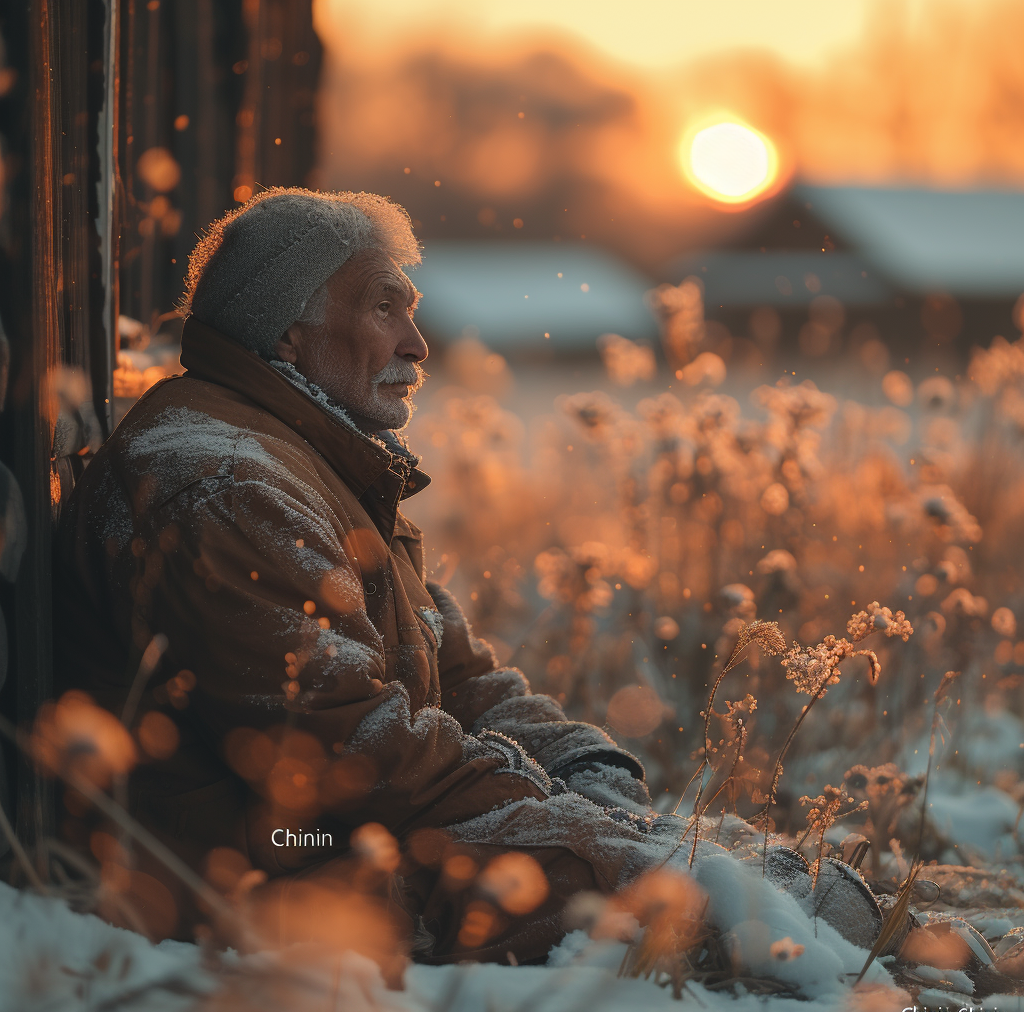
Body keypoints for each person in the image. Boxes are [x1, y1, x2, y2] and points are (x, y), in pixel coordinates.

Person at [54, 188, 685, 961]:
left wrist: (582, 770)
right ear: (287, 331)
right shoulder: (222, 486)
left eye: (412, 312)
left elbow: (459, 676)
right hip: (253, 878)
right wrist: (570, 823)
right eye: (386, 310)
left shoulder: (311, 466)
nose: (419, 344)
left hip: (335, 848)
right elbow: (345, 753)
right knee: (643, 896)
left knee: (696, 864)